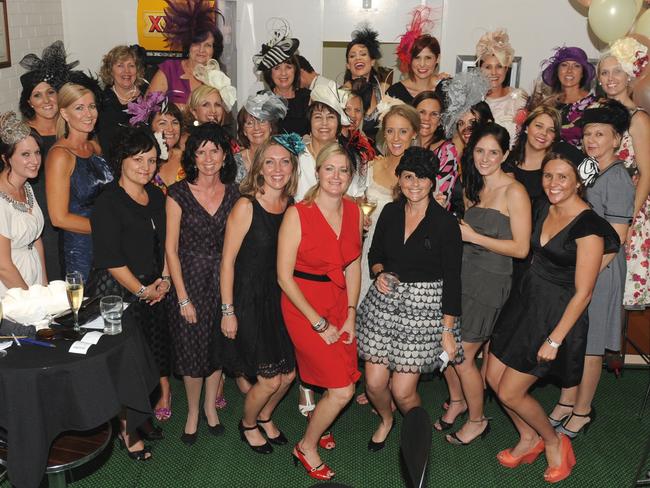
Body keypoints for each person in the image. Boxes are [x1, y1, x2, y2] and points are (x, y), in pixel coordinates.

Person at [487, 144, 619, 483]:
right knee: (492, 377)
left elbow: (584, 292)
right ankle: (527, 436)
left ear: (578, 181)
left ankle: (553, 441)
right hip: (524, 303)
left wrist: (555, 339)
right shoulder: (544, 206)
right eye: (548, 175)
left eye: (563, 177)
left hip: (555, 316)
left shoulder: (588, 227)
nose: (553, 183)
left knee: (510, 391)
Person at [357, 146, 463, 452]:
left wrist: (447, 330)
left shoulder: (445, 224)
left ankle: (416, 433)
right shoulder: (389, 212)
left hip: (424, 309)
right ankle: (387, 419)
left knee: (403, 391)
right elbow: (375, 255)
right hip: (384, 304)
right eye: (408, 176)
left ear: (433, 182)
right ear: (399, 179)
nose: (414, 184)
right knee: (375, 384)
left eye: (422, 178)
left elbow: (453, 279)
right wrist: (379, 274)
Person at [436, 123, 531, 445]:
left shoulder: (513, 191)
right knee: (447, 348)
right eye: (479, 150)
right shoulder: (473, 187)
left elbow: (521, 248)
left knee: (461, 356)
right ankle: (461, 402)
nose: (486, 158)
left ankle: (477, 420)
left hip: (490, 282)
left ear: (505, 154)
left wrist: (474, 236)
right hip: (463, 276)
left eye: (493, 152)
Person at [549, 100, 633, 439]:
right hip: (581, 264)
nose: (592, 140)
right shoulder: (588, 168)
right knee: (575, 339)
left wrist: (583, 275)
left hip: (602, 268)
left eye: (600, 134)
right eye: (587, 134)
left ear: (616, 140)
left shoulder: (619, 178)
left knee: (591, 345)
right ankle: (568, 401)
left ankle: (583, 411)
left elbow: (617, 238)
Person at [278, 142, 362, 481]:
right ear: (318, 171)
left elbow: (354, 264)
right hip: (303, 304)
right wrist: (318, 323)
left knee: (335, 375)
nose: (336, 176)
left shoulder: (355, 211)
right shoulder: (298, 213)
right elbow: (283, 277)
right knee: (343, 389)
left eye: (344, 170)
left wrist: (352, 313)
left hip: (340, 301)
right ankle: (306, 446)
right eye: (330, 168)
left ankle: (320, 422)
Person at [89, 126, 170, 460]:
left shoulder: (157, 196)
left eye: (151, 160)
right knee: (126, 363)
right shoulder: (107, 201)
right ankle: (127, 428)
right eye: (138, 159)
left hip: (155, 287)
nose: (146, 167)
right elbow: (110, 260)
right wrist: (141, 291)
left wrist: (164, 279)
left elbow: (167, 243)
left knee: (150, 357)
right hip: (121, 293)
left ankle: (143, 415)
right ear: (121, 160)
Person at [220, 135, 301, 454]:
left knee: (289, 373)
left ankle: (266, 416)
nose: (277, 168)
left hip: (280, 298)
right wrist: (228, 310)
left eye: (284, 161)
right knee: (269, 379)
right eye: (270, 161)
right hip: (249, 299)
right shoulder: (246, 204)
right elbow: (226, 261)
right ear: (259, 167)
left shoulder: (291, 205)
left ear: (292, 167)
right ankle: (248, 424)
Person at [165, 122, 239, 445]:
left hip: (223, 279)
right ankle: (193, 410)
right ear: (192, 157)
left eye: (215, 151)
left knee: (217, 347)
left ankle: (211, 407)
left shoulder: (235, 193)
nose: (208, 158)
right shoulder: (178, 193)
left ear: (224, 156)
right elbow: (170, 248)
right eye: (201, 152)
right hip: (190, 280)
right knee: (191, 352)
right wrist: (182, 298)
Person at [18, 40, 79, 281]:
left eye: (50, 92)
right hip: (41, 215)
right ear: (29, 102)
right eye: (37, 95)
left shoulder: (72, 127)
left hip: (74, 210)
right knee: (53, 275)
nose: (46, 100)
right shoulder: (23, 134)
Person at [598, 37, 650, 308]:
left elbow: (647, 173)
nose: (611, 78)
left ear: (629, 74)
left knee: (618, 284)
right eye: (604, 72)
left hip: (626, 210)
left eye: (617, 70)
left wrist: (631, 218)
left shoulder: (638, 118)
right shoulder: (596, 114)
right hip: (597, 205)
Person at [46, 82, 113, 280]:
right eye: (79, 108)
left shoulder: (94, 146)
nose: (88, 114)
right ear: (65, 114)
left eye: (92, 106)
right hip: (80, 250)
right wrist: (109, 228)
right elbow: (59, 218)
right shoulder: (60, 155)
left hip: (108, 244)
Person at [360, 103, 420, 300]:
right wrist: (359, 217)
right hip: (367, 253)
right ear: (383, 134)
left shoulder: (421, 177)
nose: (396, 138)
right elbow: (353, 204)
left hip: (404, 260)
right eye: (390, 131)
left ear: (414, 133)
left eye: (403, 131)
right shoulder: (369, 168)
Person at [0, 112, 47, 295]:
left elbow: (36, 239)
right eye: (25, 154)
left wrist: (44, 287)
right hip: (11, 290)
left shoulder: (27, 186)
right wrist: (30, 300)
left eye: (37, 153)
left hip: (33, 282)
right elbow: (3, 266)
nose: (35, 161)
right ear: (6, 158)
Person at [147, 0, 223, 107]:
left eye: (207, 45)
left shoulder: (218, 77)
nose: (201, 50)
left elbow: (223, 116)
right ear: (188, 45)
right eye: (196, 44)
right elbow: (146, 109)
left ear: (214, 50)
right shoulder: (169, 69)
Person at [295, 85, 358, 201]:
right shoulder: (296, 156)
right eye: (318, 117)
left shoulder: (349, 156)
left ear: (339, 124)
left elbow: (356, 198)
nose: (324, 123)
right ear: (310, 122)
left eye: (330, 117)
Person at [253, 23, 310, 136]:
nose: (283, 73)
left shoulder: (307, 98)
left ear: (295, 70)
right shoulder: (261, 99)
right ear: (270, 73)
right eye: (277, 68)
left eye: (288, 67)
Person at [475, 29, 528, 146]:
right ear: (480, 70)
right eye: (488, 67)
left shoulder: (519, 97)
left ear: (506, 69)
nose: (494, 72)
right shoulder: (473, 101)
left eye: (499, 66)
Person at [502, 105, 562, 203]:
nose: (544, 133)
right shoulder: (507, 160)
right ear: (526, 127)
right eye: (539, 126)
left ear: (554, 137)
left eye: (551, 130)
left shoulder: (558, 165)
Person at [540, 46, 596, 146]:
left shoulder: (595, 105)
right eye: (564, 65)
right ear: (557, 71)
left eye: (576, 66)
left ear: (583, 73)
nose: (569, 70)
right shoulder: (547, 105)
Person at [389, 7, 447, 104]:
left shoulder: (447, 89)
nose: (422, 64)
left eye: (428, 58)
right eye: (417, 58)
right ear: (409, 59)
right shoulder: (395, 93)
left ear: (437, 58)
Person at [412, 90, 459, 209]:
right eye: (421, 112)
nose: (427, 119)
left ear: (440, 121)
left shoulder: (446, 151)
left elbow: (442, 197)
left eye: (434, 114)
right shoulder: (403, 144)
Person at [97, 45, 146, 151]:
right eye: (120, 66)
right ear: (110, 70)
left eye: (131, 66)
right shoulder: (101, 101)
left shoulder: (147, 96)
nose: (126, 71)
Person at [343, 25, 387, 139]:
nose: (358, 58)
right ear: (348, 65)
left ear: (372, 61)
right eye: (352, 56)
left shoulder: (382, 92)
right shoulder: (341, 94)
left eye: (363, 54)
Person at [234, 91, 287, 183]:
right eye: (250, 123)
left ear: (271, 126)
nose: (257, 128)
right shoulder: (234, 163)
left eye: (262, 121)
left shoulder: (284, 156)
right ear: (244, 131)